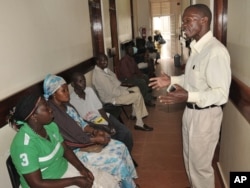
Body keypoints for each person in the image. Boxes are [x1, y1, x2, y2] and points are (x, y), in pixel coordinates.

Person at [149, 4, 231, 188]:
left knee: (200, 167)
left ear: (204, 20)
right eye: (183, 21)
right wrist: (171, 80)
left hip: (206, 116)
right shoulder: (196, 48)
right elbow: (191, 78)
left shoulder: (215, 51)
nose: (184, 25)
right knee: (189, 159)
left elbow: (221, 94)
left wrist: (188, 96)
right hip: (191, 112)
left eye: (188, 20)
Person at [43, 74, 138, 188]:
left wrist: (94, 131)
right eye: (63, 91)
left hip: (84, 139)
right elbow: (67, 140)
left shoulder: (67, 106)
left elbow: (82, 124)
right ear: (54, 94)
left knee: (121, 146)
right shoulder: (53, 115)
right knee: (116, 160)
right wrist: (94, 139)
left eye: (67, 89)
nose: (67, 93)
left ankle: (127, 182)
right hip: (75, 150)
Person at [8, 94, 119, 188]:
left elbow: (65, 149)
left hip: (63, 169)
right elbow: (36, 184)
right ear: (34, 117)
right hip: (46, 184)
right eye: (46, 107)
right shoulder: (23, 146)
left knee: (105, 182)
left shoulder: (50, 126)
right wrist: (74, 181)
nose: (51, 109)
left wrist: (82, 169)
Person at [70, 72, 134, 153]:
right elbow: (82, 121)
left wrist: (109, 123)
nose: (84, 83)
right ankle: (120, 152)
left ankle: (127, 154)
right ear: (72, 84)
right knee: (110, 139)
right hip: (92, 124)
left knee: (126, 133)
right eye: (80, 81)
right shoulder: (71, 101)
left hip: (103, 117)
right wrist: (102, 126)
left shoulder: (89, 91)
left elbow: (100, 109)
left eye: (84, 80)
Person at [92, 53, 154, 132]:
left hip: (115, 92)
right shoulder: (99, 76)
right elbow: (112, 92)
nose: (105, 62)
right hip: (111, 99)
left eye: (106, 60)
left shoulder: (104, 70)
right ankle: (139, 123)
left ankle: (134, 114)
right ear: (97, 62)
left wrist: (126, 90)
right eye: (103, 61)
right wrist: (127, 92)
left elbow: (116, 82)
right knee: (136, 95)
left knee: (136, 89)